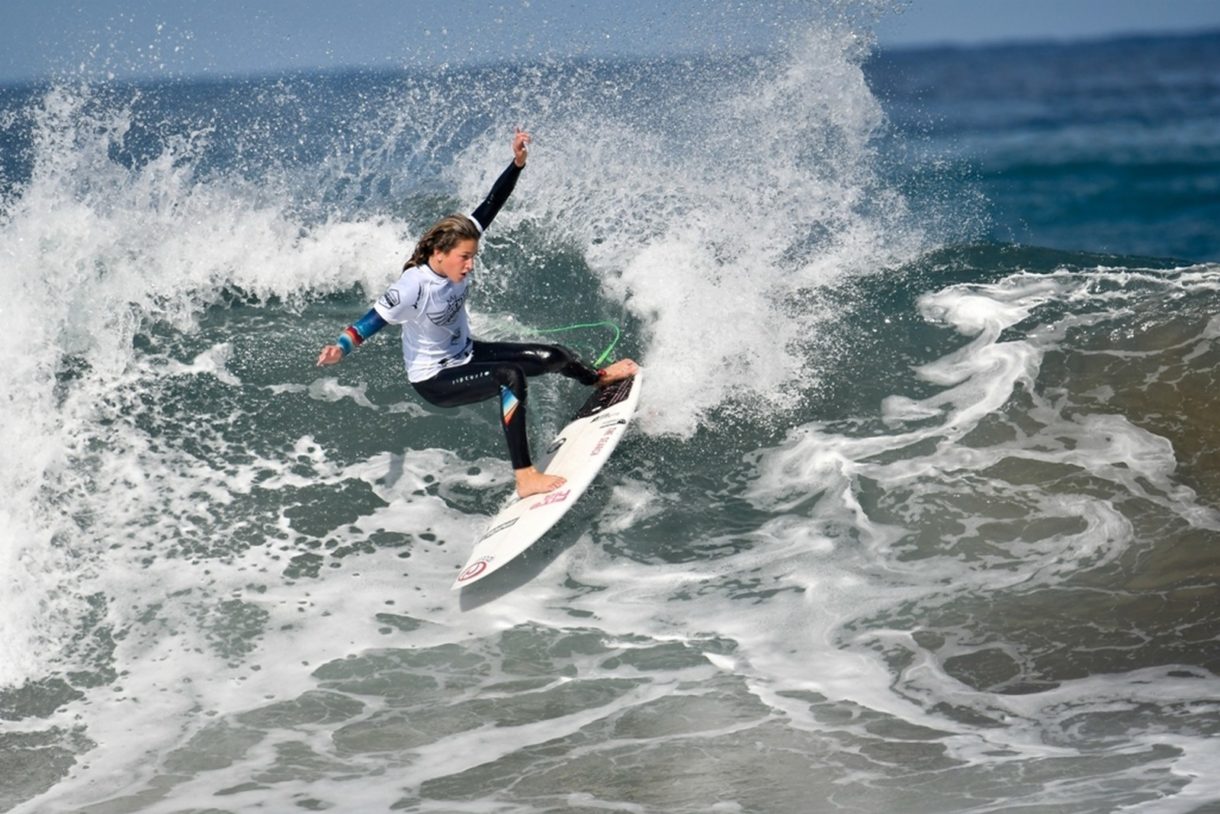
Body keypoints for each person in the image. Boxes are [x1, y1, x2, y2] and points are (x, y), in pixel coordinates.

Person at [317, 129, 638, 498]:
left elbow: (491, 202)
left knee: (555, 356)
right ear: (439, 253)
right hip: (434, 379)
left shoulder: (459, 241)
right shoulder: (413, 285)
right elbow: (369, 322)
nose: (470, 265)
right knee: (510, 375)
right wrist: (341, 347)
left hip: (466, 353)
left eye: (473, 257)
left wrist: (517, 164)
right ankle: (525, 477)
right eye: (464, 258)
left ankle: (596, 378)